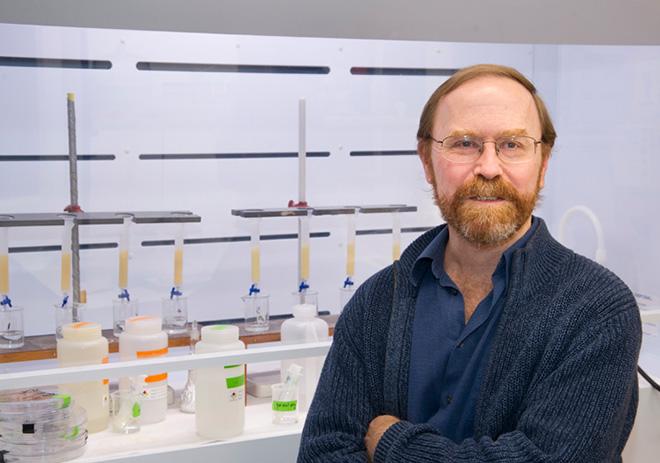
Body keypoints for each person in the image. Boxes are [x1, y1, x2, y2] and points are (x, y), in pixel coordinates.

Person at [297, 64, 641, 463]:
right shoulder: (376, 304)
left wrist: (393, 444)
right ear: (427, 161)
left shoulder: (597, 310)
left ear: (542, 164)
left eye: (513, 144)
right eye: (464, 143)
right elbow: (323, 454)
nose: (489, 167)